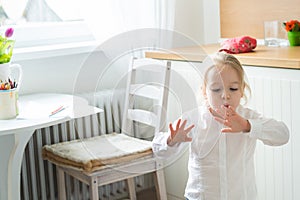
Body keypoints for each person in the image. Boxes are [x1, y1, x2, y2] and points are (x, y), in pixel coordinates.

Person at [152, 52, 289, 200]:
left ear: (242, 90)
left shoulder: (249, 118)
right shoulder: (194, 119)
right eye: (216, 89)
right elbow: (157, 151)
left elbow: (283, 135)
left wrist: (247, 126)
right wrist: (171, 140)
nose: (225, 95)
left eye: (233, 89)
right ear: (205, 91)